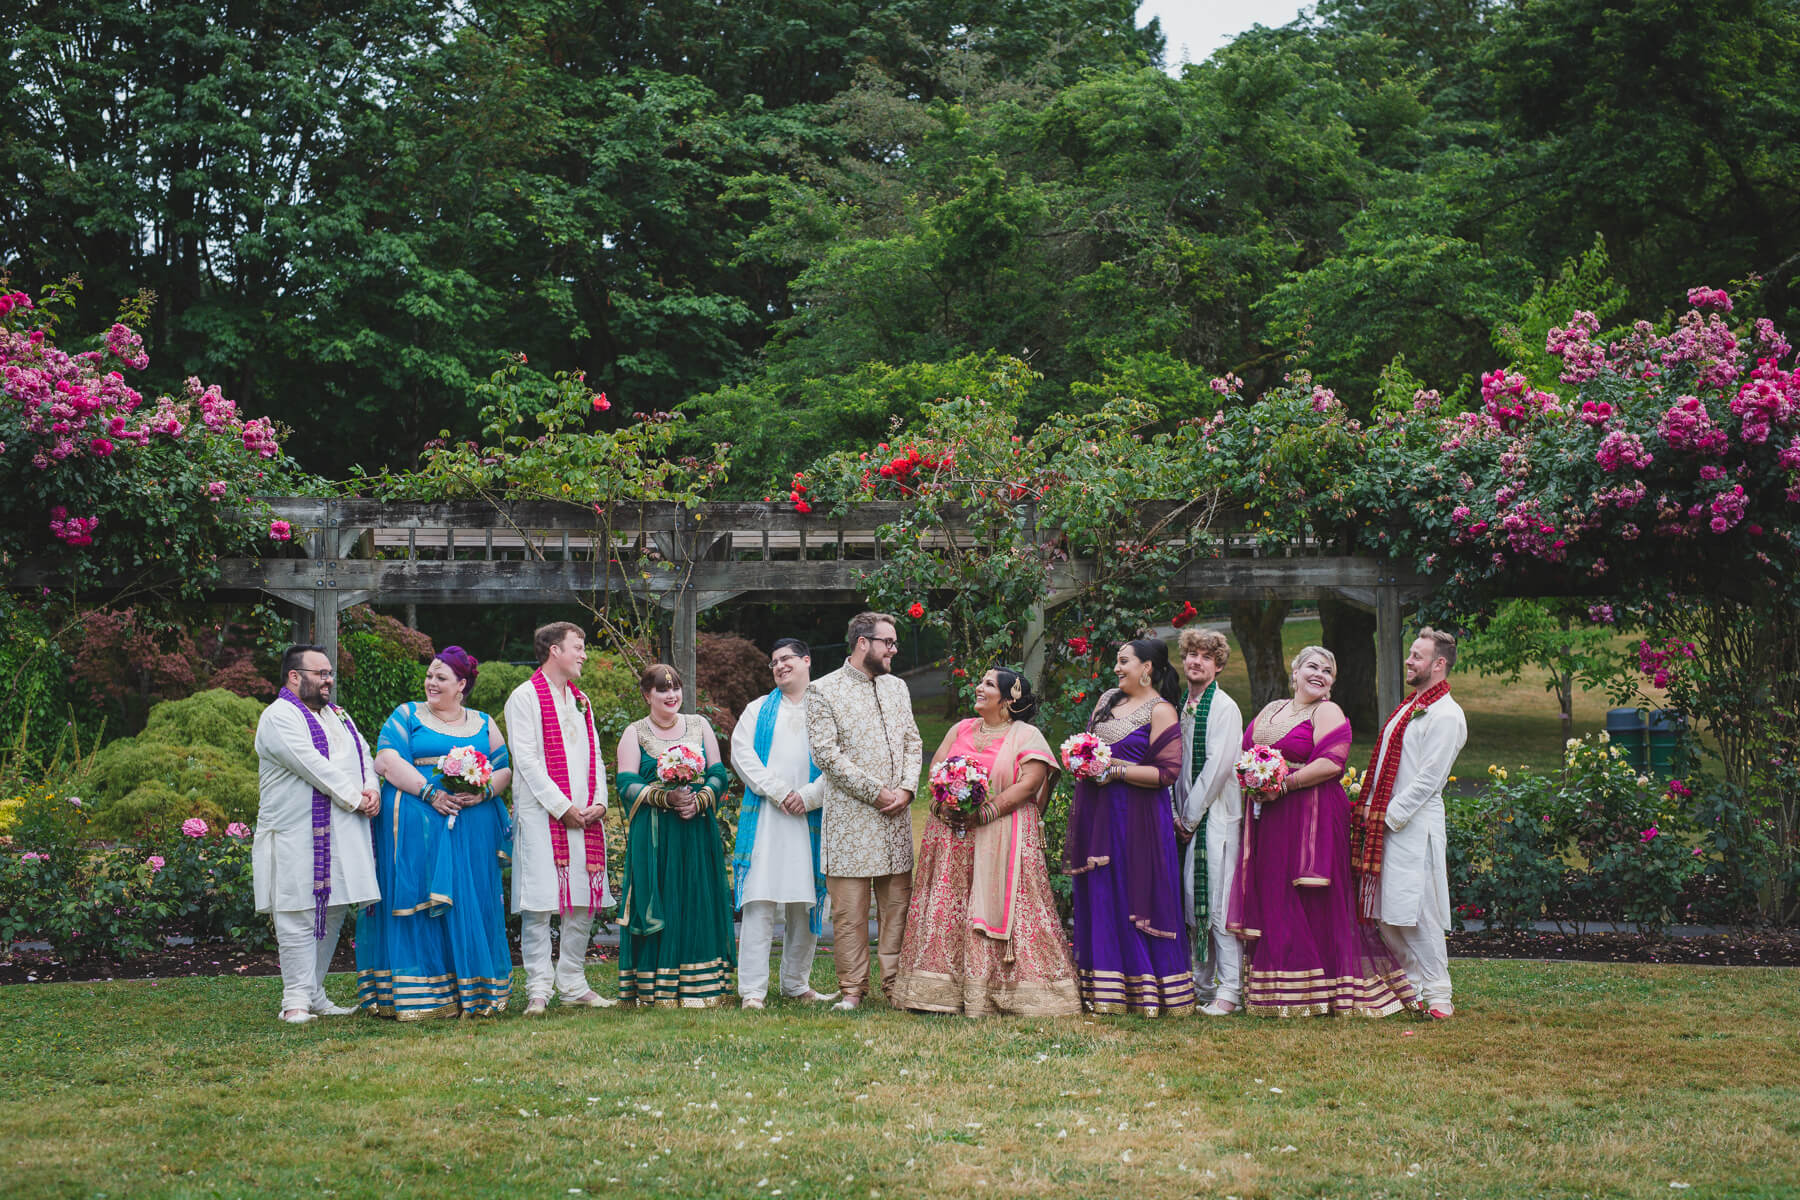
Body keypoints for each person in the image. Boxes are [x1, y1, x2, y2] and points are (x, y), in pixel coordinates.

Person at [1227, 646, 1415, 1017]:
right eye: (1312, 666)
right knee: (1274, 889)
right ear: (1294, 672)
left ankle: (1322, 989)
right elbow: (1248, 753)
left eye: (1327, 671)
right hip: (1270, 812)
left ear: (1331, 683)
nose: (1319, 674)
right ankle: (1279, 989)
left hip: (1311, 811)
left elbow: (1331, 763)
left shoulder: (1327, 710)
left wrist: (1282, 785)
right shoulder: (1270, 710)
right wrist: (1254, 780)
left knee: (1310, 895)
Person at [892, 667, 1079, 1017]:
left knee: (1004, 905)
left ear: (1009, 700)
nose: (978, 688)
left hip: (1003, 834)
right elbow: (936, 770)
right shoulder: (960, 728)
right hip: (950, 835)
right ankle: (940, 992)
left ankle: (1010, 992)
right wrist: (942, 803)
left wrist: (984, 814)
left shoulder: (1027, 735)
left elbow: (1028, 785)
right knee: (951, 905)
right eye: (981, 682)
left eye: (988, 684)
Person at [356, 647, 514, 1019]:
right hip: (417, 824)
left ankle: (472, 988)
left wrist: (482, 792)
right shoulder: (407, 714)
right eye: (429, 675)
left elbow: (504, 769)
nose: (431, 682)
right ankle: (422, 993)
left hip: (471, 826)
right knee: (420, 902)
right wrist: (431, 793)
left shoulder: (483, 721)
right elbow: (387, 760)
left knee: (469, 898)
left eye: (440, 677)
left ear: (461, 684)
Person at [1064, 637, 1196, 1017]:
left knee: (1134, 891)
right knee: (1100, 888)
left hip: (1138, 817)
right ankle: (1103, 988)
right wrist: (1082, 761)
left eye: (1124, 662)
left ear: (1147, 667)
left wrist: (1114, 771)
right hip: (1097, 810)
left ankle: (1147, 991)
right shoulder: (1107, 700)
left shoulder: (1162, 710)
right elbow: (1090, 746)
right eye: (1117, 662)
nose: (1117, 668)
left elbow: (1167, 772)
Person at [252, 644, 380, 1024]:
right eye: (320, 673)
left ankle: (314, 992)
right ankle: (294, 1003)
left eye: (329, 673)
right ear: (295, 677)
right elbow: (312, 766)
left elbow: (365, 756)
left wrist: (371, 788)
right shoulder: (279, 717)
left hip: (343, 831)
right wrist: (356, 797)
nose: (328, 680)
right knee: (298, 913)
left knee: (334, 908)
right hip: (295, 834)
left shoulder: (338, 716)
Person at [806, 610, 923, 1011]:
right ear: (862, 643)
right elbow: (826, 754)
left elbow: (913, 740)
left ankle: (896, 987)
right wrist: (876, 793)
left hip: (896, 819)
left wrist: (907, 788)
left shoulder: (897, 688)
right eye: (887, 642)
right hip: (851, 820)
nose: (893, 649)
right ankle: (852, 990)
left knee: (896, 909)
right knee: (850, 914)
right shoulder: (824, 690)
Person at [1356, 628, 1468, 1019]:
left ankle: (1440, 994)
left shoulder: (1447, 714)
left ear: (1439, 664)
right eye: (1410, 654)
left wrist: (1388, 815)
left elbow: (1429, 779)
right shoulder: (1410, 706)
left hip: (1413, 826)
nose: (1409, 661)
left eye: (1418, 656)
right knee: (1386, 913)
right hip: (1385, 825)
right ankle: (1413, 984)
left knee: (1418, 912)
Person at [505, 621, 615, 1016]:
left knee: (582, 902)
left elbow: (598, 758)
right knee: (540, 904)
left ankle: (572, 982)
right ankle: (538, 987)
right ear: (554, 650)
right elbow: (527, 761)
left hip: (584, 817)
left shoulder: (581, 700)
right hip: (543, 817)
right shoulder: (525, 697)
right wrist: (561, 807)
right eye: (578, 646)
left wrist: (598, 804)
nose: (584, 654)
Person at [615, 663, 736, 1007]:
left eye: (675, 688)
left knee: (697, 894)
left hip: (695, 827)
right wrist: (664, 797)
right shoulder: (635, 733)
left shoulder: (699, 726)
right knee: (663, 898)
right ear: (647, 695)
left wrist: (699, 800)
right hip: (655, 833)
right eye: (662, 690)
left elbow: (717, 772)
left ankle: (703, 986)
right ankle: (658, 989)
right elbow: (625, 782)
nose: (671, 695)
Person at [728, 639, 837, 1009]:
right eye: (774, 662)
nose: (779, 666)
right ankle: (753, 991)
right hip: (768, 818)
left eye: (786, 659)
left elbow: (839, 761)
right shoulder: (758, 709)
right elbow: (741, 755)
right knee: (760, 903)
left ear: (807, 660)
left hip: (809, 818)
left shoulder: (827, 709)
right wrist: (779, 792)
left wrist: (806, 796)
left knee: (805, 906)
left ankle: (796, 983)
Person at [1172, 628, 1245, 1017]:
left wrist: (1188, 818)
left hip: (1215, 820)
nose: (1195, 661)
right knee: (1192, 905)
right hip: (1191, 820)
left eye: (1204, 656)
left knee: (1217, 907)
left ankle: (1229, 990)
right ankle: (1200, 986)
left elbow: (1216, 770)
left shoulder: (1223, 708)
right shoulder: (1185, 703)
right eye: (1190, 655)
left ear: (1217, 665)